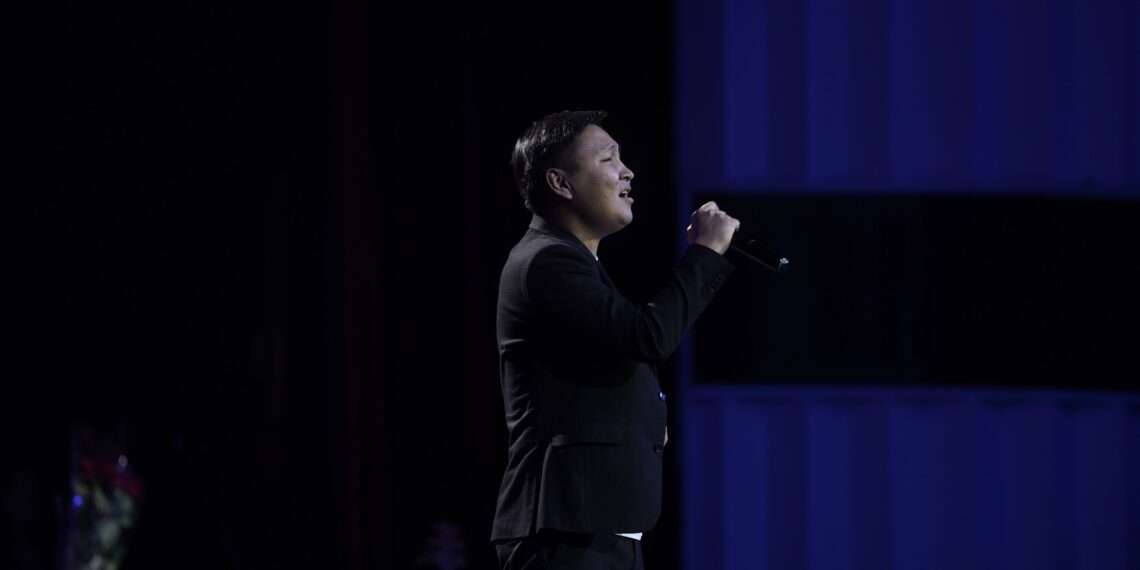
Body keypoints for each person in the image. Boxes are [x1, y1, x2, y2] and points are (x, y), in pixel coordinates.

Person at [490, 109, 740, 569]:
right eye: (608, 159)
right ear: (560, 183)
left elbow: (604, 363)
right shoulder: (547, 261)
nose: (628, 172)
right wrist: (705, 254)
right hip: (564, 528)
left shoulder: (573, 263)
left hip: (598, 524)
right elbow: (647, 336)